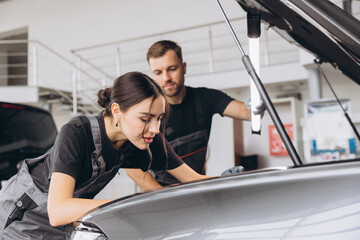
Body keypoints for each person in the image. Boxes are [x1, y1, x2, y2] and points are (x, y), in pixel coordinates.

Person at [0, 71, 209, 239]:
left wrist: (238, 181)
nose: (155, 128)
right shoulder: (77, 132)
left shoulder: (145, 137)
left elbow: (195, 181)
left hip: (62, 224)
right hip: (20, 216)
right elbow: (58, 210)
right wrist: (129, 205)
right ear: (117, 111)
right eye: (146, 118)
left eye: (159, 118)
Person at [126, 40, 265, 189]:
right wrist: (161, 194)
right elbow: (132, 168)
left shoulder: (206, 98)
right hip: (160, 193)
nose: (166, 78)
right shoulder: (147, 112)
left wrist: (257, 105)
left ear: (184, 67)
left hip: (196, 185)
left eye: (172, 69)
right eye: (158, 73)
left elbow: (246, 112)